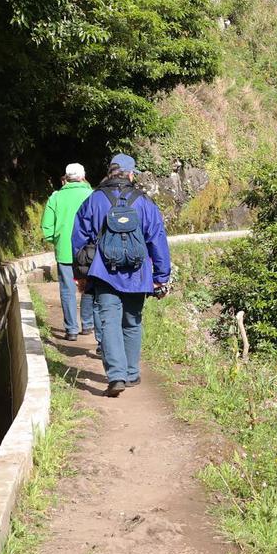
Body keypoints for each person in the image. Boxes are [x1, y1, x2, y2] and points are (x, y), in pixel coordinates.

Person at [71, 154, 171, 397]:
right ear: (130, 174)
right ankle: (131, 372)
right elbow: (157, 239)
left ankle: (116, 376)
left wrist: (80, 274)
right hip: (138, 273)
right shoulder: (144, 202)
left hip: (105, 273)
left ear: (110, 172)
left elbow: (79, 239)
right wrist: (161, 275)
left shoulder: (94, 200)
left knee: (109, 323)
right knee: (132, 322)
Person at [40, 163, 94, 340]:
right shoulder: (91, 195)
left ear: (66, 177)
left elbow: (47, 228)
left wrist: (55, 240)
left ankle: (71, 330)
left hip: (64, 250)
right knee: (88, 286)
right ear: (82, 176)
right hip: (87, 251)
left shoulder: (56, 197)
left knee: (67, 288)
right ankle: (87, 324)